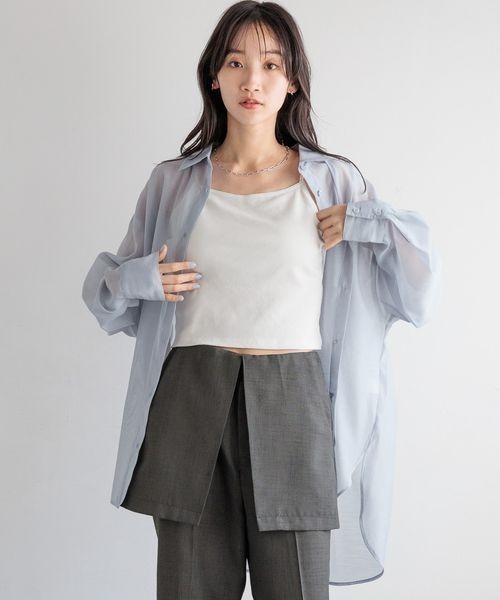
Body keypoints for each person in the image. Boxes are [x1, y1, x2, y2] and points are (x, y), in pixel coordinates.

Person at [81, 1, 442, 598]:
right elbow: (107, 296)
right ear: (213, 76)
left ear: (292, 79)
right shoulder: (173, 181)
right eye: (235, 62)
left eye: (271, 64)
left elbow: (418, 289)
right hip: (189, 398)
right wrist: (144, 278)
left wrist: (368, 221)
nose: (253, 80)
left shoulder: (333, 182)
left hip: (296, 400)